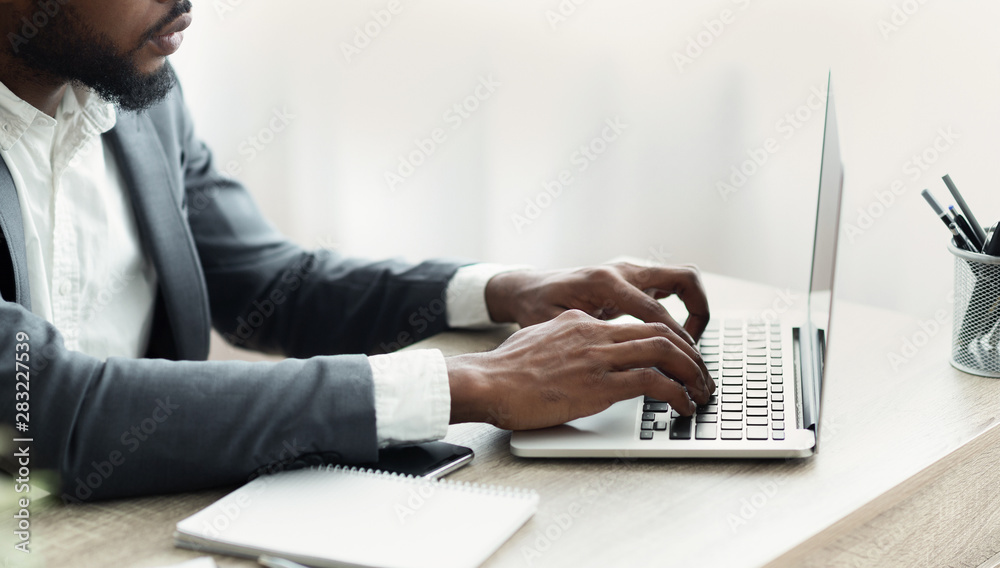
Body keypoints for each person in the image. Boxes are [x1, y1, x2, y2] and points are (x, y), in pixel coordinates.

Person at [0, 0, 714, 502]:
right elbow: (49, 410)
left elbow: (269, 283)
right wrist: (471, 384)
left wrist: (505, 289)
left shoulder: (134, 85)